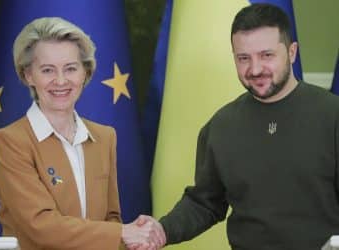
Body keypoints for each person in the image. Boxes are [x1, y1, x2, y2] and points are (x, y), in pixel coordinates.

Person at [132, 3, 339, 250]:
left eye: (267, 55)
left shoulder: (332, 115)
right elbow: (205, 203)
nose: (255, 69)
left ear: (292, 52)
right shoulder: (221, 126)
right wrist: (163, 230)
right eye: (244, 58)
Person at [0, 17, 155, 250]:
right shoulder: (9, 142)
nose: (60, 81)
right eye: (47, 70)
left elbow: (111, 219)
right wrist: (124, 232)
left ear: (85, 73)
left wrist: (134, 239)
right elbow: (40, 226)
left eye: (70, 68)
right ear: (28, 75)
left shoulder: (104, 137)